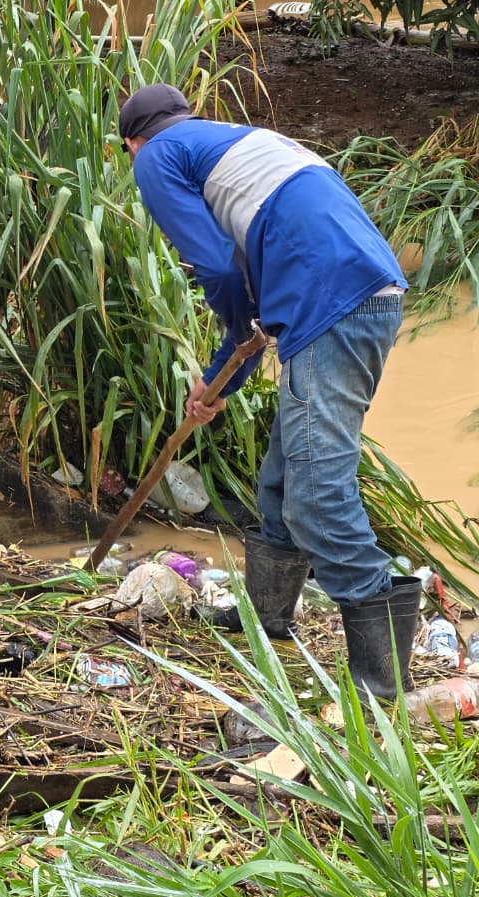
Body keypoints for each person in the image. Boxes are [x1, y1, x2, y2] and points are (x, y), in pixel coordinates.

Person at [118, 83, 420, 701]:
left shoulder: (155, 155)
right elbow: (256, 312)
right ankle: (268, 623)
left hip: (333, 305)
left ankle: (382, 681)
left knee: (316, 494)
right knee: (283, 482)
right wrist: (217, 380)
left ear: (132, 143)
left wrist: (230, 345)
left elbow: (220, 269)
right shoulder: (235, 145)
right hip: (359, 298)